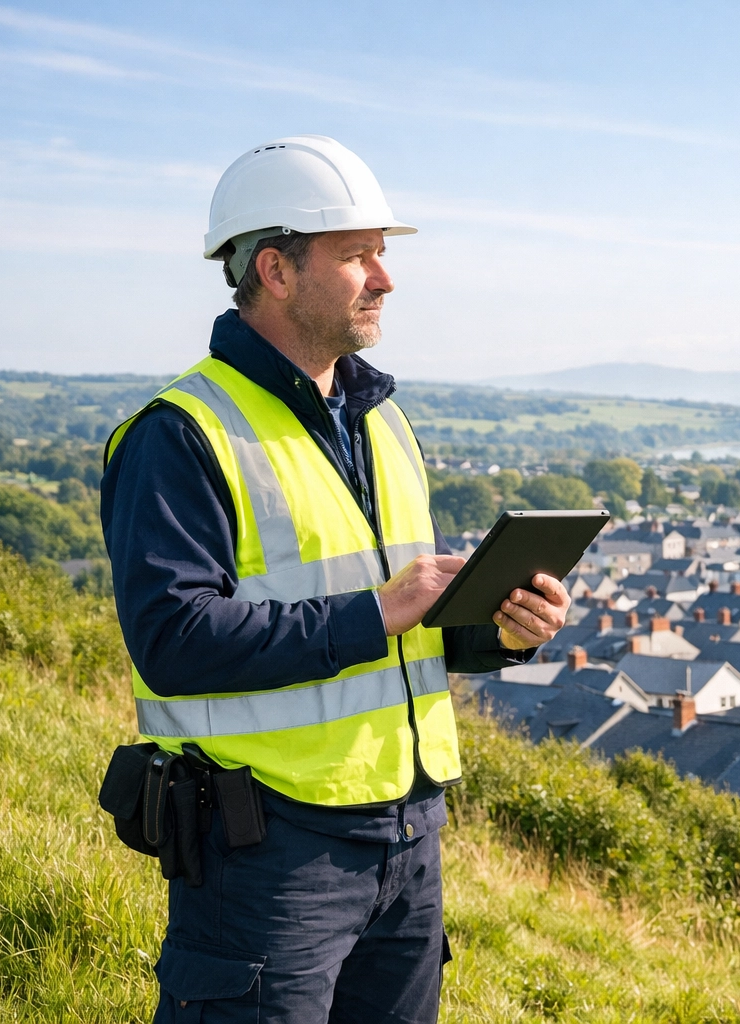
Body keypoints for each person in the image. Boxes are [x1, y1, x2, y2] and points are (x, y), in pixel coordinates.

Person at [100, 135, 570, 1023]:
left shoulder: (382, 423)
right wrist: (378, 611)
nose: (386, 279)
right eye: (359, 256)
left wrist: (496, 627)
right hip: (267, 852)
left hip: (408, 838)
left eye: (382, 256)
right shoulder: (181, 434)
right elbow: (172, 642)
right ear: (275, 270)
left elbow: (407, 627)